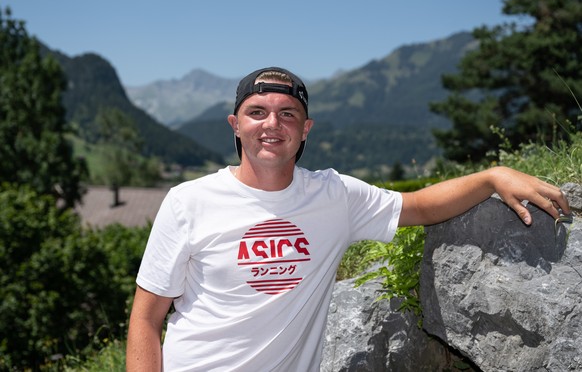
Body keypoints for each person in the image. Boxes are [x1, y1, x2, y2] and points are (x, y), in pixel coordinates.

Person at [126, 66, 570, 371]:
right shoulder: (188, 201)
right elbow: (146, 319)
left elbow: (419, 205)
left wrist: (492, 176)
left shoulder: (334, 195)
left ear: (306, 128)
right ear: (235, 124)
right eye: (256, 113)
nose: (271, 124)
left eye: (287, 114)